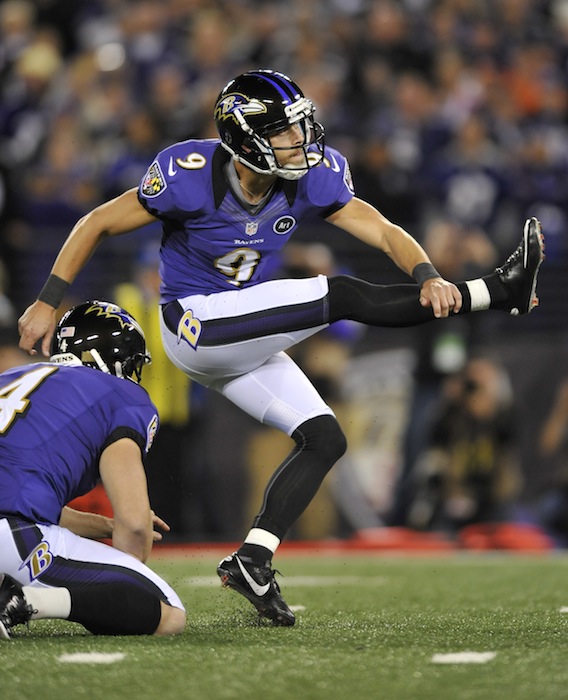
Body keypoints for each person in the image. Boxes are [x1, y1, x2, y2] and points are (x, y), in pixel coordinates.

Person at [18, 69, 544, 627]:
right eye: (286, 131)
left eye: (299, 127)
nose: (301, 140)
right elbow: (97, 221)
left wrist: (430, 273)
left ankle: (254, 559)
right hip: (194, 323)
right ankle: (494, 292)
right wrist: (49, 301)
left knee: (324, 437)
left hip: (241, 329)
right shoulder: (189, 174)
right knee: (339, 294)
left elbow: (384, 229)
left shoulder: (309, 176)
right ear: (246, 140)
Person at [1, 300, 186, 639]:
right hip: (10, 538)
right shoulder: (124, 396)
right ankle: (24, 601)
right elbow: (133, 526)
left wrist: (101, 525)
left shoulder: (12, 376)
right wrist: (116, 589)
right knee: (167, 613)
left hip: (9, 526)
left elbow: (18, 493)